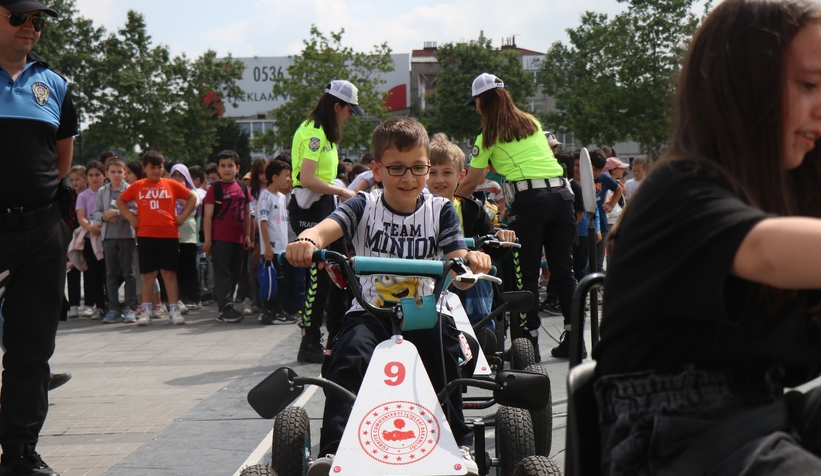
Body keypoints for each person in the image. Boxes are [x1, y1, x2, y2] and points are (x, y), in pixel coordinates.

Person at [593, 1, 821, 474]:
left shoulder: (789, 191)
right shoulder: (680, 190)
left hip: (759, 415)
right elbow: (767, 251)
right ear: (744, 86)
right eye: (809, 85)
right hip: (669, 441)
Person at [286, 117, 490, 476]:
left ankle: (459, 443)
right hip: (370, 310)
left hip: (423, 310)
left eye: (418, 168)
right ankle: (333, 452)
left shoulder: (440, 210)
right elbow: (325, 229)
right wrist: (308, 241)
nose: (409, 178)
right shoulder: (363, 205)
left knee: (445, 351)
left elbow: (457, 259)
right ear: (377, 170)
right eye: (397, 168)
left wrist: (469, 265)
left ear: (427, 166)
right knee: (348, 357)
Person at [0, 0, 77, 473]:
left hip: (42, 233)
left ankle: (20, 454)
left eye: (38, 20)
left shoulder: (55, 84)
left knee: (32, 351)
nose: (30, 27)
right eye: (18, 16)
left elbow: (61, 161)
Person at [457, 73, 576, 359]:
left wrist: (443, 201)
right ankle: (575, 340)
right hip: (562, 196)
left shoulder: (486, 137)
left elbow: (471, 183)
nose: (475, 108)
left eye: (475, 102)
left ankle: (527, 345)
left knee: (526, 275)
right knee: (564, 272)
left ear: (482, 101)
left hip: (530, 201)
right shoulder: (532, 123)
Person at [288, 80, 361, 363]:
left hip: (323, 207)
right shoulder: (314, 133)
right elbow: (306, 178)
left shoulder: (325, 134)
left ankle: (332, 336)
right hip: (310, 210)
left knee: (335, 274)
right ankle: (309, 341)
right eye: (349, 110)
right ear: (337, 106)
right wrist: (342, 189)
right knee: (319, 276)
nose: (351, 115)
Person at [427, 137, 515, 328]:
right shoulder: (414, 209)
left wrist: (502, 239)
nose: (439, 179)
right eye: (432, 172)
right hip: (428, 276)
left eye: (447, 172)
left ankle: (481, 331)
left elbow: (492, 244)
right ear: (424, 173)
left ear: (461, 176)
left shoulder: (473, 210)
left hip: (464, 276)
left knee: (479, 269)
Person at [116, 151, 197, 326]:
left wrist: (182, 218)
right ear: (144, 168)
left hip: (169, 234)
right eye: (152, 167)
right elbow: (120, 201)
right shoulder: (138, 186)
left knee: (169, 273)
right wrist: (131, 218)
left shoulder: (171, 184)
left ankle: (174, 309)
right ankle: (146, 310)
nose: (156, 171)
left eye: (160, 167)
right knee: (148, 274)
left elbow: (192, 197)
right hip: (146, 235)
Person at [203, 150, 253, 323]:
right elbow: (207, 216)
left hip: (238, 239)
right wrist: (208, 240)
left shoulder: (242, 187)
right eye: (222, 166)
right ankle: (224, 309)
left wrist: (248, 236)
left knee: (235, 273)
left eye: (230, 165)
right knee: (223, 273)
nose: (226, 169)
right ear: (217, 169)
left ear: (237, 168)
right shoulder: (214, 189)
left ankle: (228, 305)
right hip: (220, 239)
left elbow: (247, 213)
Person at [92, 157, 137, 324]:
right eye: (113, 172)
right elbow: (94, 213)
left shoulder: (130, 189)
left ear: (125, 173)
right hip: (109, 237)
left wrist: (118, 213)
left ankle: (129, 307)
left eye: (120, 172)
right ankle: (113, 308)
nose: (117, 175)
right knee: (111, 274)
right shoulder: (102, 192)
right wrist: (105, 216)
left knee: (129, 273)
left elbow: (135, 210)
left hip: (127, 236)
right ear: (106, 174)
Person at [257, 160, 294, 324]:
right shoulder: (266, 197)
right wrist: (267, 248)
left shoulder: (281, 197)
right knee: (272, 281)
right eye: (286, 175)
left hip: (282, 248)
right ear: (274, 177)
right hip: (271, 249)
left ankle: (273, 311)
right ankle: (273, 312)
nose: (289, 179)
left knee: (280, 280)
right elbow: (263, 223)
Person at [75, 161, 107, 319]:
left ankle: (112, 303)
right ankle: (100, 306)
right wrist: (90, 228)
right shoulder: (83, 196)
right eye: (91, 175)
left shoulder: (108, 192)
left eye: (97, 175)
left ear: (104, 175)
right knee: (95, 274)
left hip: (109, 237)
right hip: (90, 238)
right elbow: (81, 217)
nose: (94, 178)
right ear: (87, 178)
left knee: (112, 273)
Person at [169, 164, 201, 312]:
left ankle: (195, 298)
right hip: (172, 235)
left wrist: (180, 191)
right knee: (177, 269)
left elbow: (193, 204)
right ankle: (180, 298)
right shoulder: (167, 191)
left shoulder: (192, 192)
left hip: (188, 235)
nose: (176, 178)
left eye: (180, 175)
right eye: (174, 175)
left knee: (190, 269)